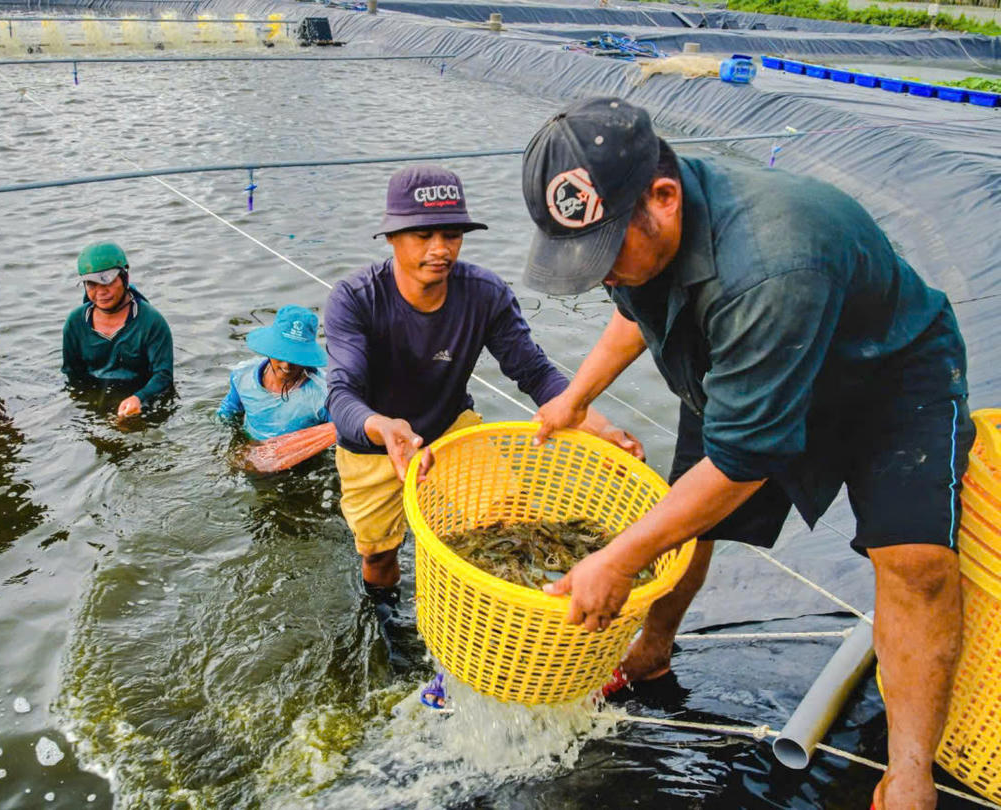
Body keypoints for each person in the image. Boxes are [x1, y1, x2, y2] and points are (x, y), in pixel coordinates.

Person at [521, 97, 973, 810]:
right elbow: (632, 311)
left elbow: (741, 463)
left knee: (916, 564)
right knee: (682, 521)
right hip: (743, 361)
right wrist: (576, 397)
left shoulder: (771, 259)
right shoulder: (645, 247)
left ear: (663, 197)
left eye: (605, 254)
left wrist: (617, 560)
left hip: (885, 373)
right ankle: (652, 648)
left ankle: (910, 771)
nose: (601, 274)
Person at [325, 164, 642, 594]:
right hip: (374, 442)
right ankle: (383, 612)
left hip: (449, 427)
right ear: (392, 237)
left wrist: (601, 428)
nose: (441, 249)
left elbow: (535, 373)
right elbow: (342, 394)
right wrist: (382, 426)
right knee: (379, 552)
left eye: (452, 235)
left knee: (507, 525)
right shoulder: (355, 299)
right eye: (423, 235)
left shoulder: (485, 294)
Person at [62, 241, 174, 418]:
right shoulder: (75, 323)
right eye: (92, 284)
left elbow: (164, 376)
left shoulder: (151, 322)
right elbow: (72, 374)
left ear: (124, 277)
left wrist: (139, 398)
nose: (101, 292)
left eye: (107, 282)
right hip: (95, 398)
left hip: (143, 398)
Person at [218, 305, 330, 440]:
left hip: (300, 451)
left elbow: (342, 431)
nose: (287, 365)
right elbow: (227, 413)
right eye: (282, 354)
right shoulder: (242, 376)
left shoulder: (324, 394)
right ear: (271, 350)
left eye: (296, 357)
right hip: (249, 445)